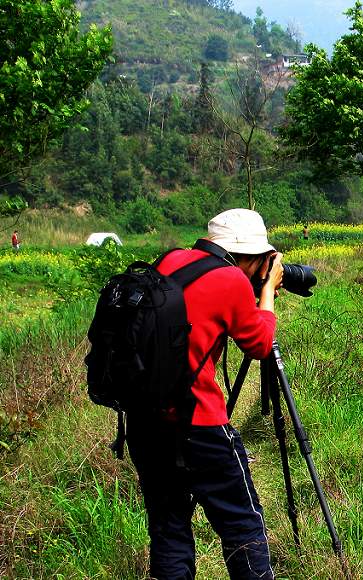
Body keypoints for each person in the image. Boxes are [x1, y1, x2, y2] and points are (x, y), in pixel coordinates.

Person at [127, 209, 283, 579]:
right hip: (200, 425)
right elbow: (260, 344)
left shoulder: (169, 260)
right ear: (252, 256)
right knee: (242, 526)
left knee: (168, 527)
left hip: (147, 422)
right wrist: (266, 295)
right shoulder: (230, 279)